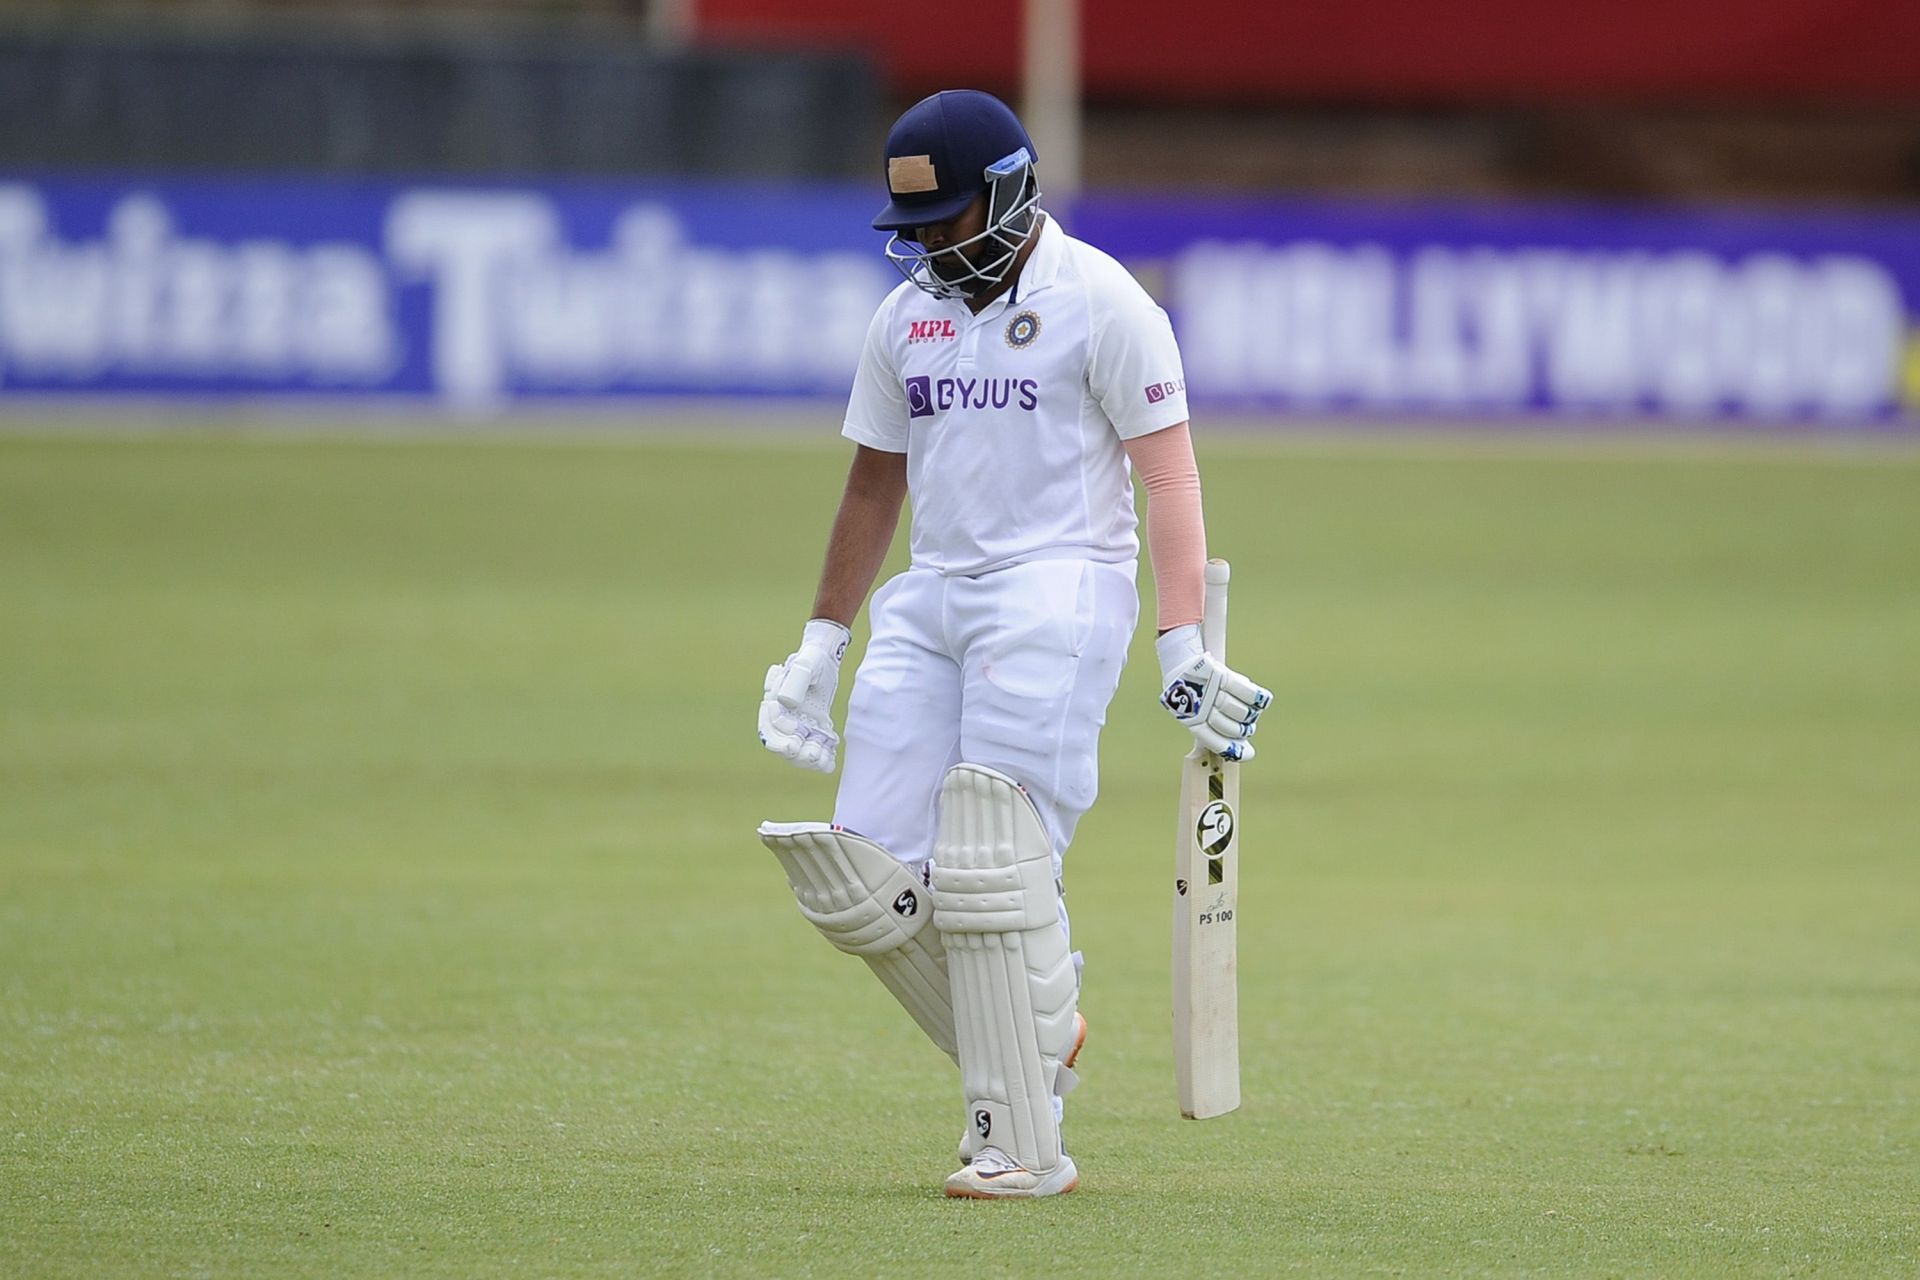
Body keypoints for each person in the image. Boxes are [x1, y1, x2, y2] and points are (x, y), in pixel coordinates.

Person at [754, 89, 1270, 1199]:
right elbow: (872, 480)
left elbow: (1168, 473)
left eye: (951, 220)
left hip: (1058, 588)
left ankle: (1020, 1138)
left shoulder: (1102, 300)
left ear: (1008, 190)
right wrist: (820, 641)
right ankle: (1045, 1028)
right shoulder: (906, 319)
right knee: (863, 875)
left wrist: (1180, 640)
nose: (936, 245)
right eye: (919, 228)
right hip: (932, 592)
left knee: (993, 856)